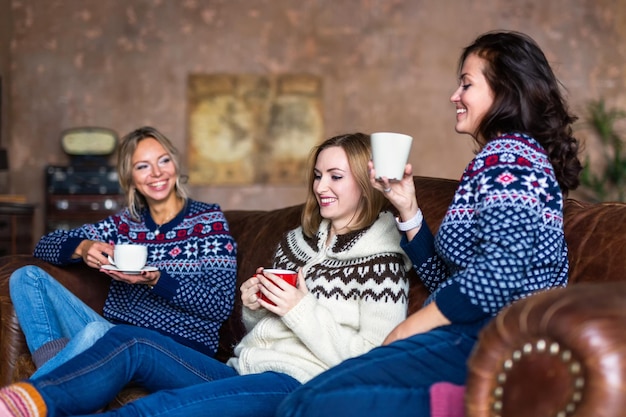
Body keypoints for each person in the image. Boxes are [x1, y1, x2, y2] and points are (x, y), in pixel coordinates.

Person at [275, 30, 583, 417]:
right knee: (305, 402)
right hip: (474, 329)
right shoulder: (503, 158)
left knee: (309, 403)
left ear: (504, 91)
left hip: (494, 338)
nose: (455, 95)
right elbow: (458, 284)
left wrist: (411, 326)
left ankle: (471, 404)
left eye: (466, 84)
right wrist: (407, 210)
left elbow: (501, 274)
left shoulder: (509, 158)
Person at [0, 132, 412, 417]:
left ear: (365, 181)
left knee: (149, 407)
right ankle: (33, 400)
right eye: (318, 176)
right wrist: (255, 304)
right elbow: (261, 328)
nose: (322, 186)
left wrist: (300, 308)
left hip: (298, 383)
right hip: (241, 367)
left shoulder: (384, 262)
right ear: (131, 179)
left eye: (336, 177)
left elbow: (372, 362)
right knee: (128, 342)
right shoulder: (296, 242)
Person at [8, 126, 238, 378]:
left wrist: (158, 280)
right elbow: (44, 245)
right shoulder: (124, 224)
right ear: (130, 178)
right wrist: (83, 247)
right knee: (25, 277)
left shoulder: (208, 221)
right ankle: (58, 379)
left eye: (163, 161)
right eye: (143, 166)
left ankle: (38, 394)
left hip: (178, 348)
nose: (157, 173)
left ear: (175, 164)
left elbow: (219, 305)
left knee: (96, 334)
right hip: (116, 336)